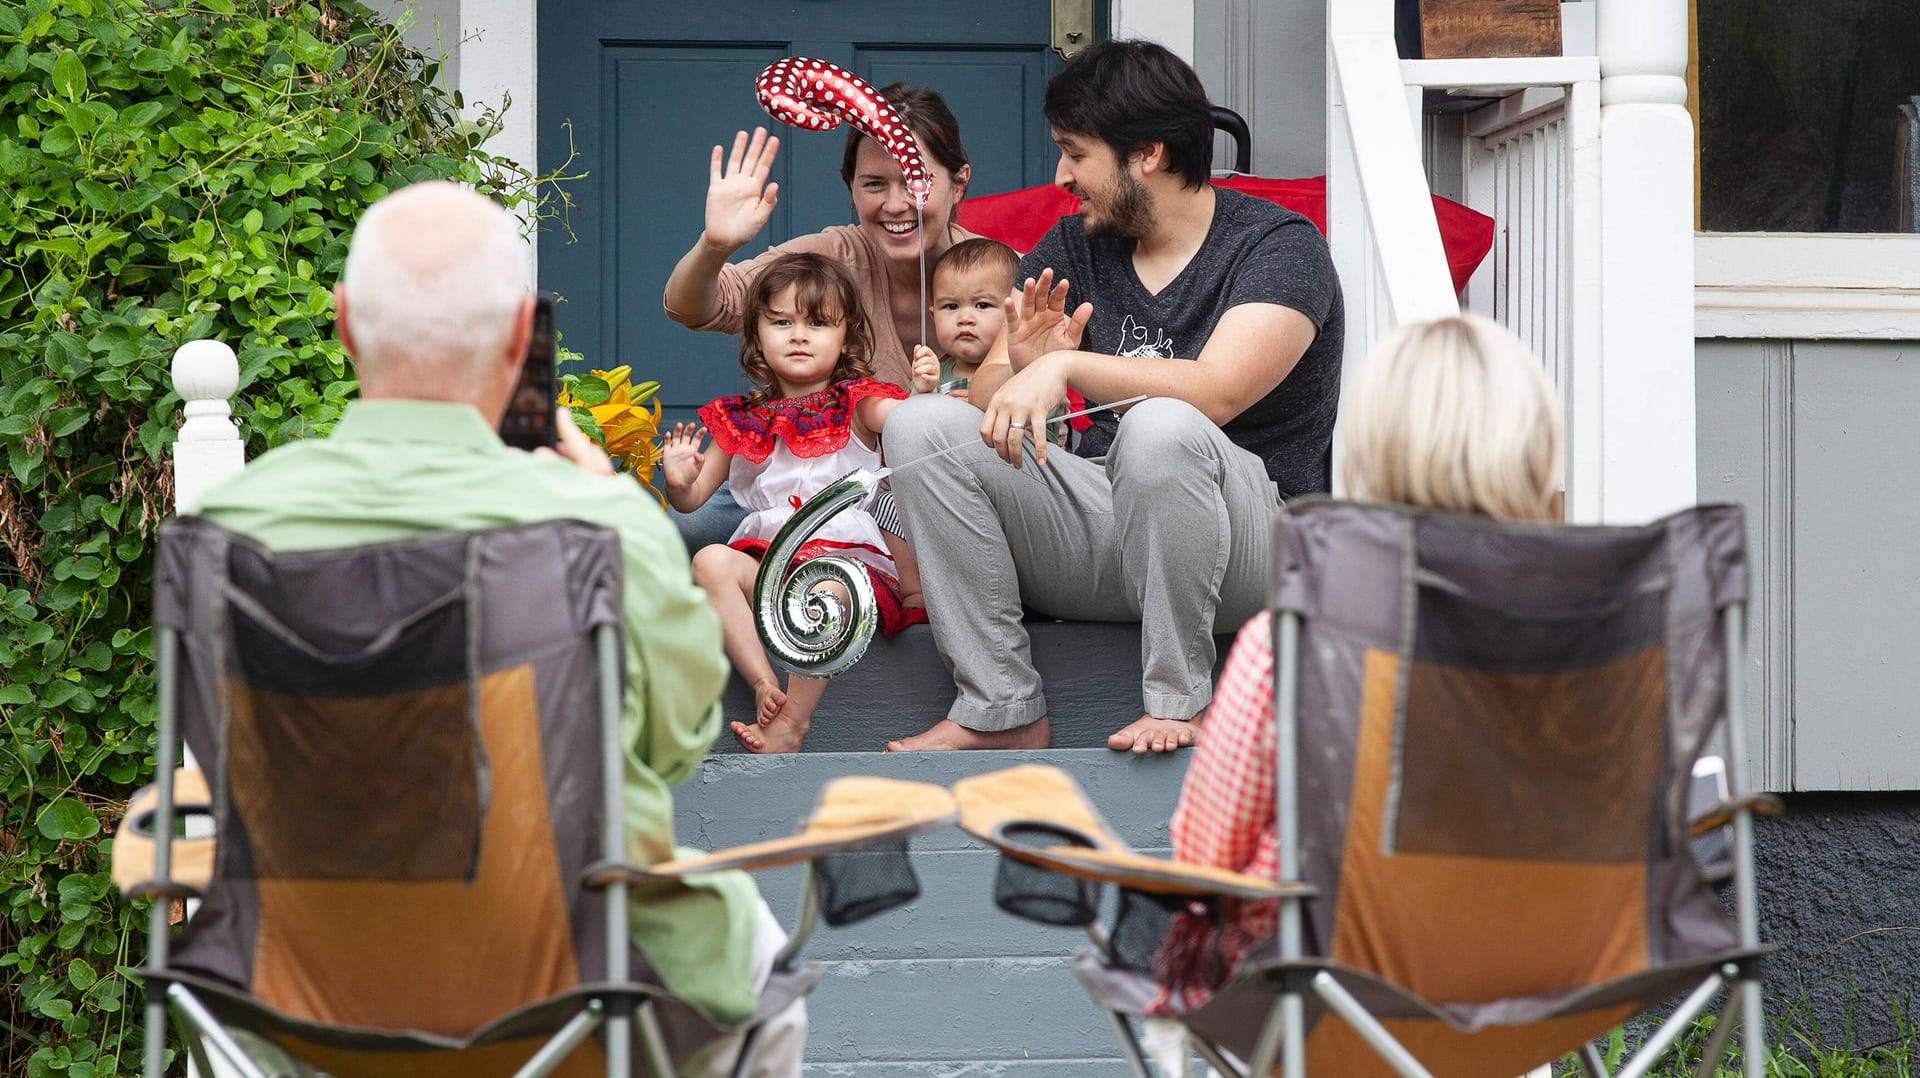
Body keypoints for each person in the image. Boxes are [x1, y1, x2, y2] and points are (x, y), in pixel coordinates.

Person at [190, 182, 803, 1076]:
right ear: (523, 339)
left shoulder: (225, 530)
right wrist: (606, 505)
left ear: (345, 323)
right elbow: (674, 746)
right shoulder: (595, 526)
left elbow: (215, 762)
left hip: (291, 1010)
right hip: (560, 1006)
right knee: (759, 963)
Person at [883, 39, 1345, 754]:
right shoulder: (1073, 247)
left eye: (1075, 152)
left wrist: (1070, 371)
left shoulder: (1278, 247)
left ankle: (1181, 702)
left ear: (1148, 154)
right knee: (920, 425)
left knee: (1161, 427)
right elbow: (988, 399)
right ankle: (1000, 706)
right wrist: (1023, 366)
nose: (1062, 174)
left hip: (1248, 551)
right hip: (1107, 532)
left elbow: (1216, 393)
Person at [1156, 313, 1565, 1016]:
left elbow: (1208, 860)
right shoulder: (1593, 636)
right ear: (1538, 448)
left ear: (1370, 451)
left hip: (1329, 1003)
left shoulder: (1297, 641)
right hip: (1546, 986)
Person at [663, 84, 982, 552]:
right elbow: (695, 306)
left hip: (916, 505)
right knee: (682, 529)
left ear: (960, 183)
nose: (895, 205)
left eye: (916, 182)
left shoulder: (998, 273)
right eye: (874, 184)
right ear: (850, 188)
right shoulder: (833, 256)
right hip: (801, 480)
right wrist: (715, 245)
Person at [663, 253, 938, 754]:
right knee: (709, 561)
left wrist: (921, 394)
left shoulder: (859, 401)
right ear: (756, 335)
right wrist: (680, 481)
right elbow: (691, 501)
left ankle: (793, 720)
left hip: (844, 565)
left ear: (846, 337)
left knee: (828, 586)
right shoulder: (742, 419)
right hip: (770, 562)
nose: (798, 335)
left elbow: (908, 423)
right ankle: (764, 683)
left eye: (817, 323)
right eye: (781, 322)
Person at [908, 237, 1074, 446]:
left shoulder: (1032, 376)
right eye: (951, 307)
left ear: (1014, 313)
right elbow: (907, 437)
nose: (965, 318)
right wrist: (921, 396)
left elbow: (1042, 450)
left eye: (982, 305)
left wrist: (980, 414)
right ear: (932, 316)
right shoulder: (929, 376)